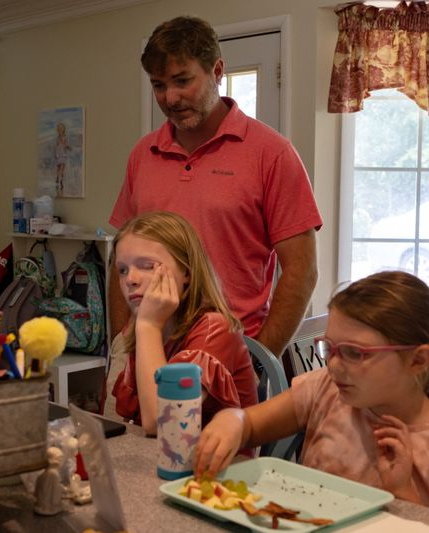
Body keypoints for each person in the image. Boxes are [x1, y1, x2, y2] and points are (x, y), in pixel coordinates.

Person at [194, 271, 429, 524]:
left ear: (418, 360)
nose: (333, 365)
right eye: (329, 348)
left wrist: (403, 493)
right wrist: (232, 420)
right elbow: (249, 423)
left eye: (355, 353)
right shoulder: (325, 390)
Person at [109, 16, 322, 356]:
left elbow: (302, 271)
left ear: (217, 71)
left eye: (182, 81)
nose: (171, 98)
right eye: (159, 85)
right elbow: (121, 260)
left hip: (230, 355)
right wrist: (121, 348)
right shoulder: (143, 154)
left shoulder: (273, 154)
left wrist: (259, 360)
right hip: (149, 352)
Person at [111, 211, 258, 436]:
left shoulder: (215, 329)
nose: (130, 279)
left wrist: (148, 326)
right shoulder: (146, 328)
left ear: (186, 271)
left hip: (215, 458)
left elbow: (161, 421)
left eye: (147, 266)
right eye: (123, 270)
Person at [54, 122, 71, 193]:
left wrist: (56, 154)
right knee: (61, 170)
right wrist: (69, 147)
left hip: (59, 155)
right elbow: (64, 145)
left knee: (59, 169)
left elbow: (58, 146)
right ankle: (60, 182)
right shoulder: (62, 137)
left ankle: (59, 181)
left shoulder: (59, 137)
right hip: (62, 155)